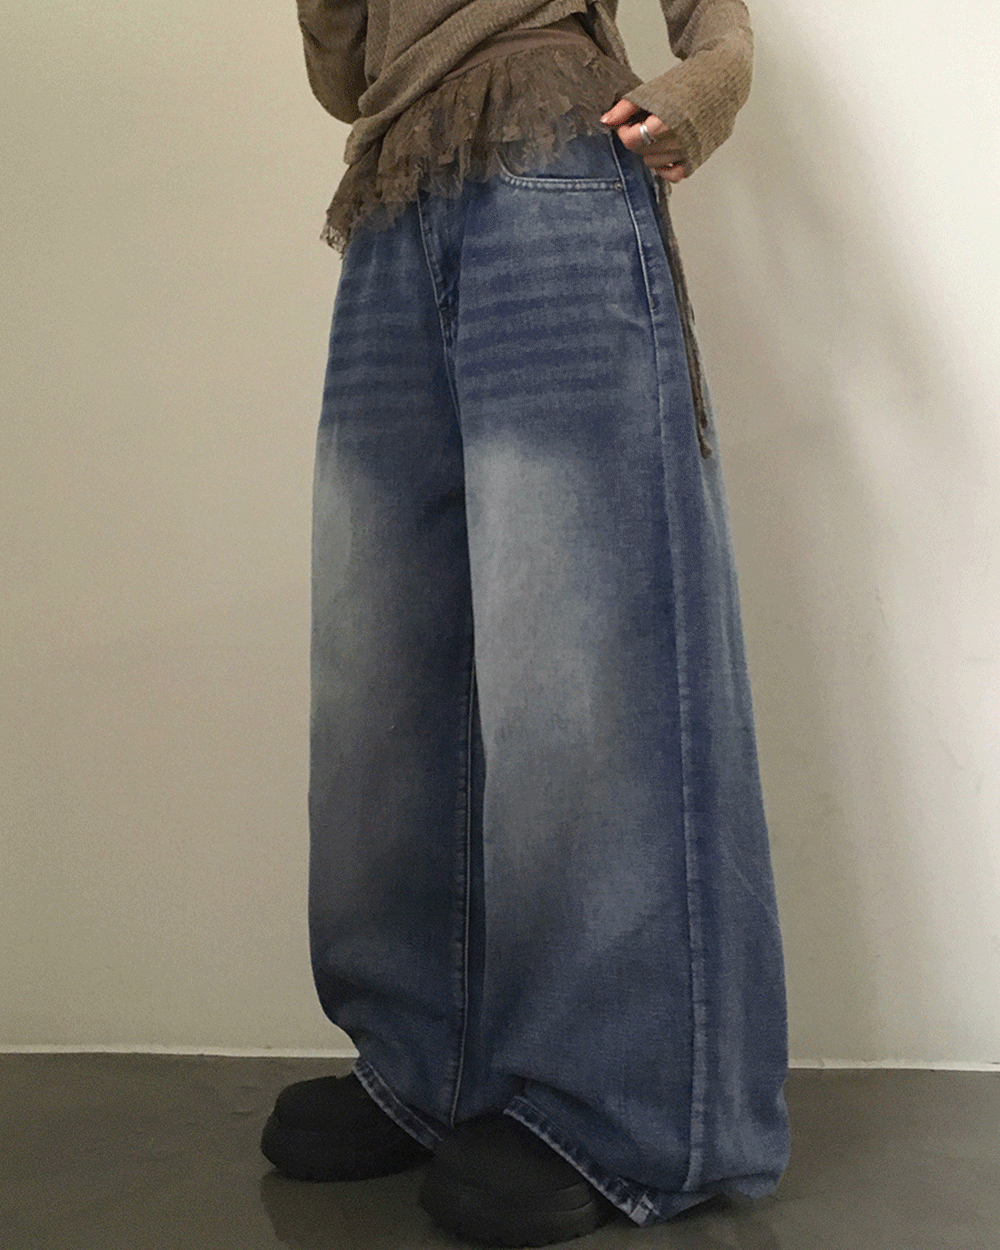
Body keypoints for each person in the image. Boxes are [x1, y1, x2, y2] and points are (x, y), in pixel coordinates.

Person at [261, 2, 791, 1245]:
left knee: (580, 629)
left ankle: (627, 1106)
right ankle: (423, 1059)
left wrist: (706, 85)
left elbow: (716, 19)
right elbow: (343, 75)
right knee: (383, 649)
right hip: (393, 180)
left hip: (553, 145)